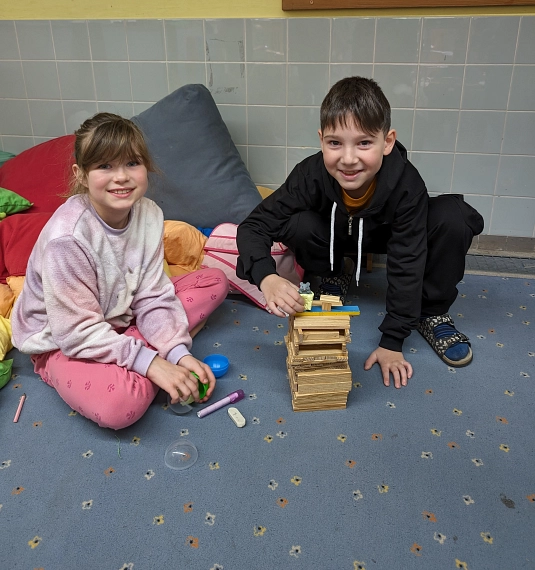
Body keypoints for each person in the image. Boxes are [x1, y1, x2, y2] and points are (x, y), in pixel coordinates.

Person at [236, 77, 483, 389]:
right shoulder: (310, 173)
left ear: (388, 141)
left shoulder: (407, 183)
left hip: (390, 236)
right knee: (297, 221)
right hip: (338, 235)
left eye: (364, 143)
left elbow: (407, 261)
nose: (348, 158)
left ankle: (430, 313)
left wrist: (392, 341)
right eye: (335, 143)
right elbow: (254, 225)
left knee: (454, 217)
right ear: (321, 139)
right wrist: (266, 277)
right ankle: (333, 274)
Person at [11, 113, 229, 429]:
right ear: (82, 175)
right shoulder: (67, 238)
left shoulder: (150, 215)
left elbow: (153, 294)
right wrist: (152, 363)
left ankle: (138, 353)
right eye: (104, 166)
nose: (121, 177)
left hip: (119, 315)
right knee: (120, 406)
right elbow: (74, 332)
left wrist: (179, 354)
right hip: (63, 340)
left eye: (132, 163)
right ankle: (122, 362)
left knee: (214, 280)